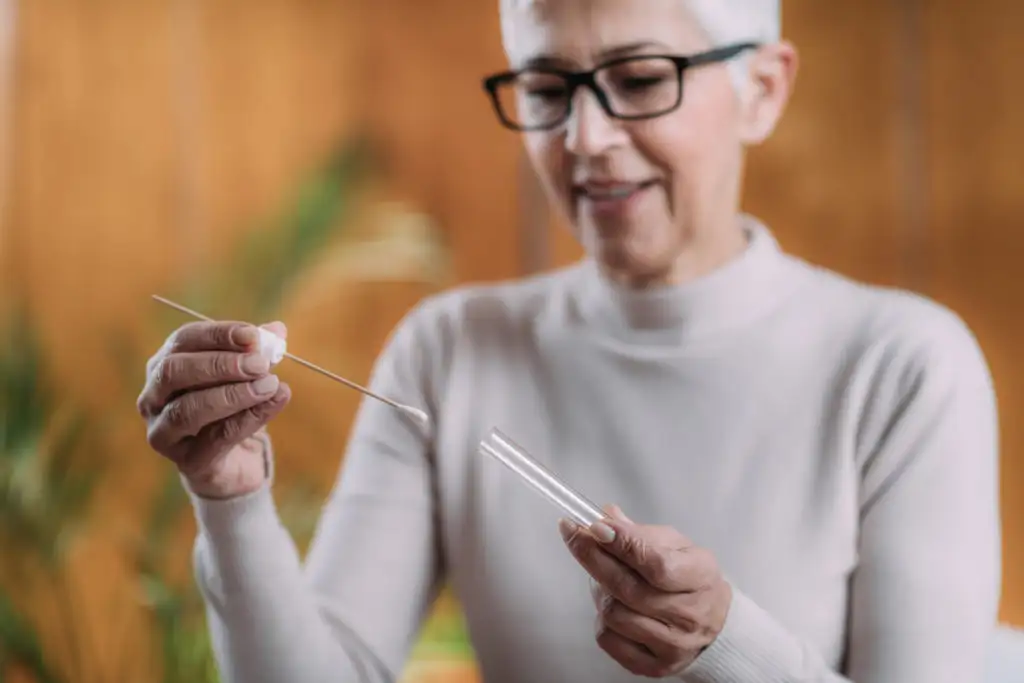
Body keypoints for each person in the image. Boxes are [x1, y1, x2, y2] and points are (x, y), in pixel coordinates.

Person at [136, 0, 1002, 681]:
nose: (585, 140)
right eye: (548, 90)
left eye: (638, 78)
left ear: (763, 90)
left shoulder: (902, 367)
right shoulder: (449, 352)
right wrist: (232, 501)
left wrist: (728, 644)